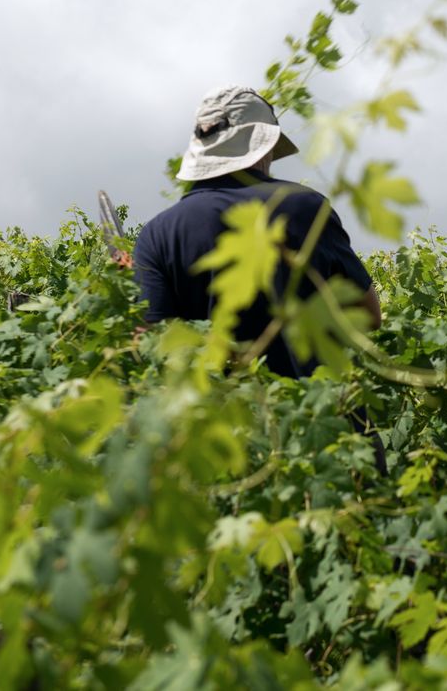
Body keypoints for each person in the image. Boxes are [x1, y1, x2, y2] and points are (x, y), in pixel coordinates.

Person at [133, 85, 387, 466]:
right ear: (263, 147)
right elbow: (368, 315)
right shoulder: (303, 207)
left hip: (231, 451)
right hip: (329, 439)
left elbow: (149, 349)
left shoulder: (157, 235)